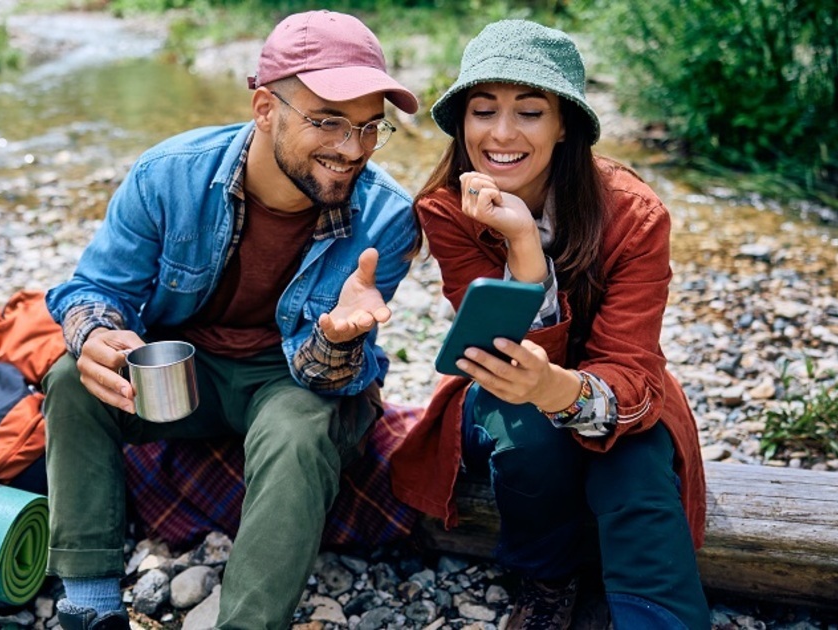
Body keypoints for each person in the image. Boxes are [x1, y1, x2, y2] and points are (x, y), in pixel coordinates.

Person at [41, 11, 421, 630]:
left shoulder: (388, 216)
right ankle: (89, 597)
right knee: (68, 379)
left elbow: (327, 381)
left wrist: (333, 338)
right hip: (191, 371)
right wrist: (95, 333)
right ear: (265, 108)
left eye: (368, 127)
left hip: (293, 378)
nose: (351, 149)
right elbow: (95, 289)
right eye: (327, 121)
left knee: (300, 436)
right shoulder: (168, 175)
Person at [389, 19, 710, 630]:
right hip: (503, 392)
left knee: (636, 464)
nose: (501, 133)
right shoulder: (446, 209)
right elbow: (495, 352)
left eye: (530, 112)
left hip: (622, 390)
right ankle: (546, 579)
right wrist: (521, 246)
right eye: (483, 110)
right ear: (462, 121)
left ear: (565, 125)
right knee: (523, 427)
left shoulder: (636, 215)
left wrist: (561, 390)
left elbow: (630, 359)